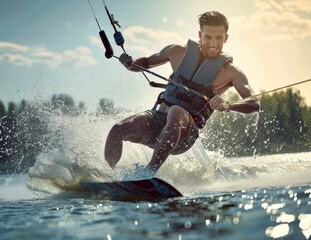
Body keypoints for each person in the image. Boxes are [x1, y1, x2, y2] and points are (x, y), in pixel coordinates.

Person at [104, 11, 260, 175]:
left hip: (185, 134)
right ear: (200, 35)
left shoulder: (231, 72)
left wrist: (229, 105)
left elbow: (254, 103)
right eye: (208, 37)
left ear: (225, 38)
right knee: (118, 129)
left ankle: (148, 173)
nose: (213, 43)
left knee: (176, 111)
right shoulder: (176, 52)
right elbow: (145, 63)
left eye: (218, 38)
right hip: (157, 122)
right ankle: (109, 177)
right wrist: (131, 64)